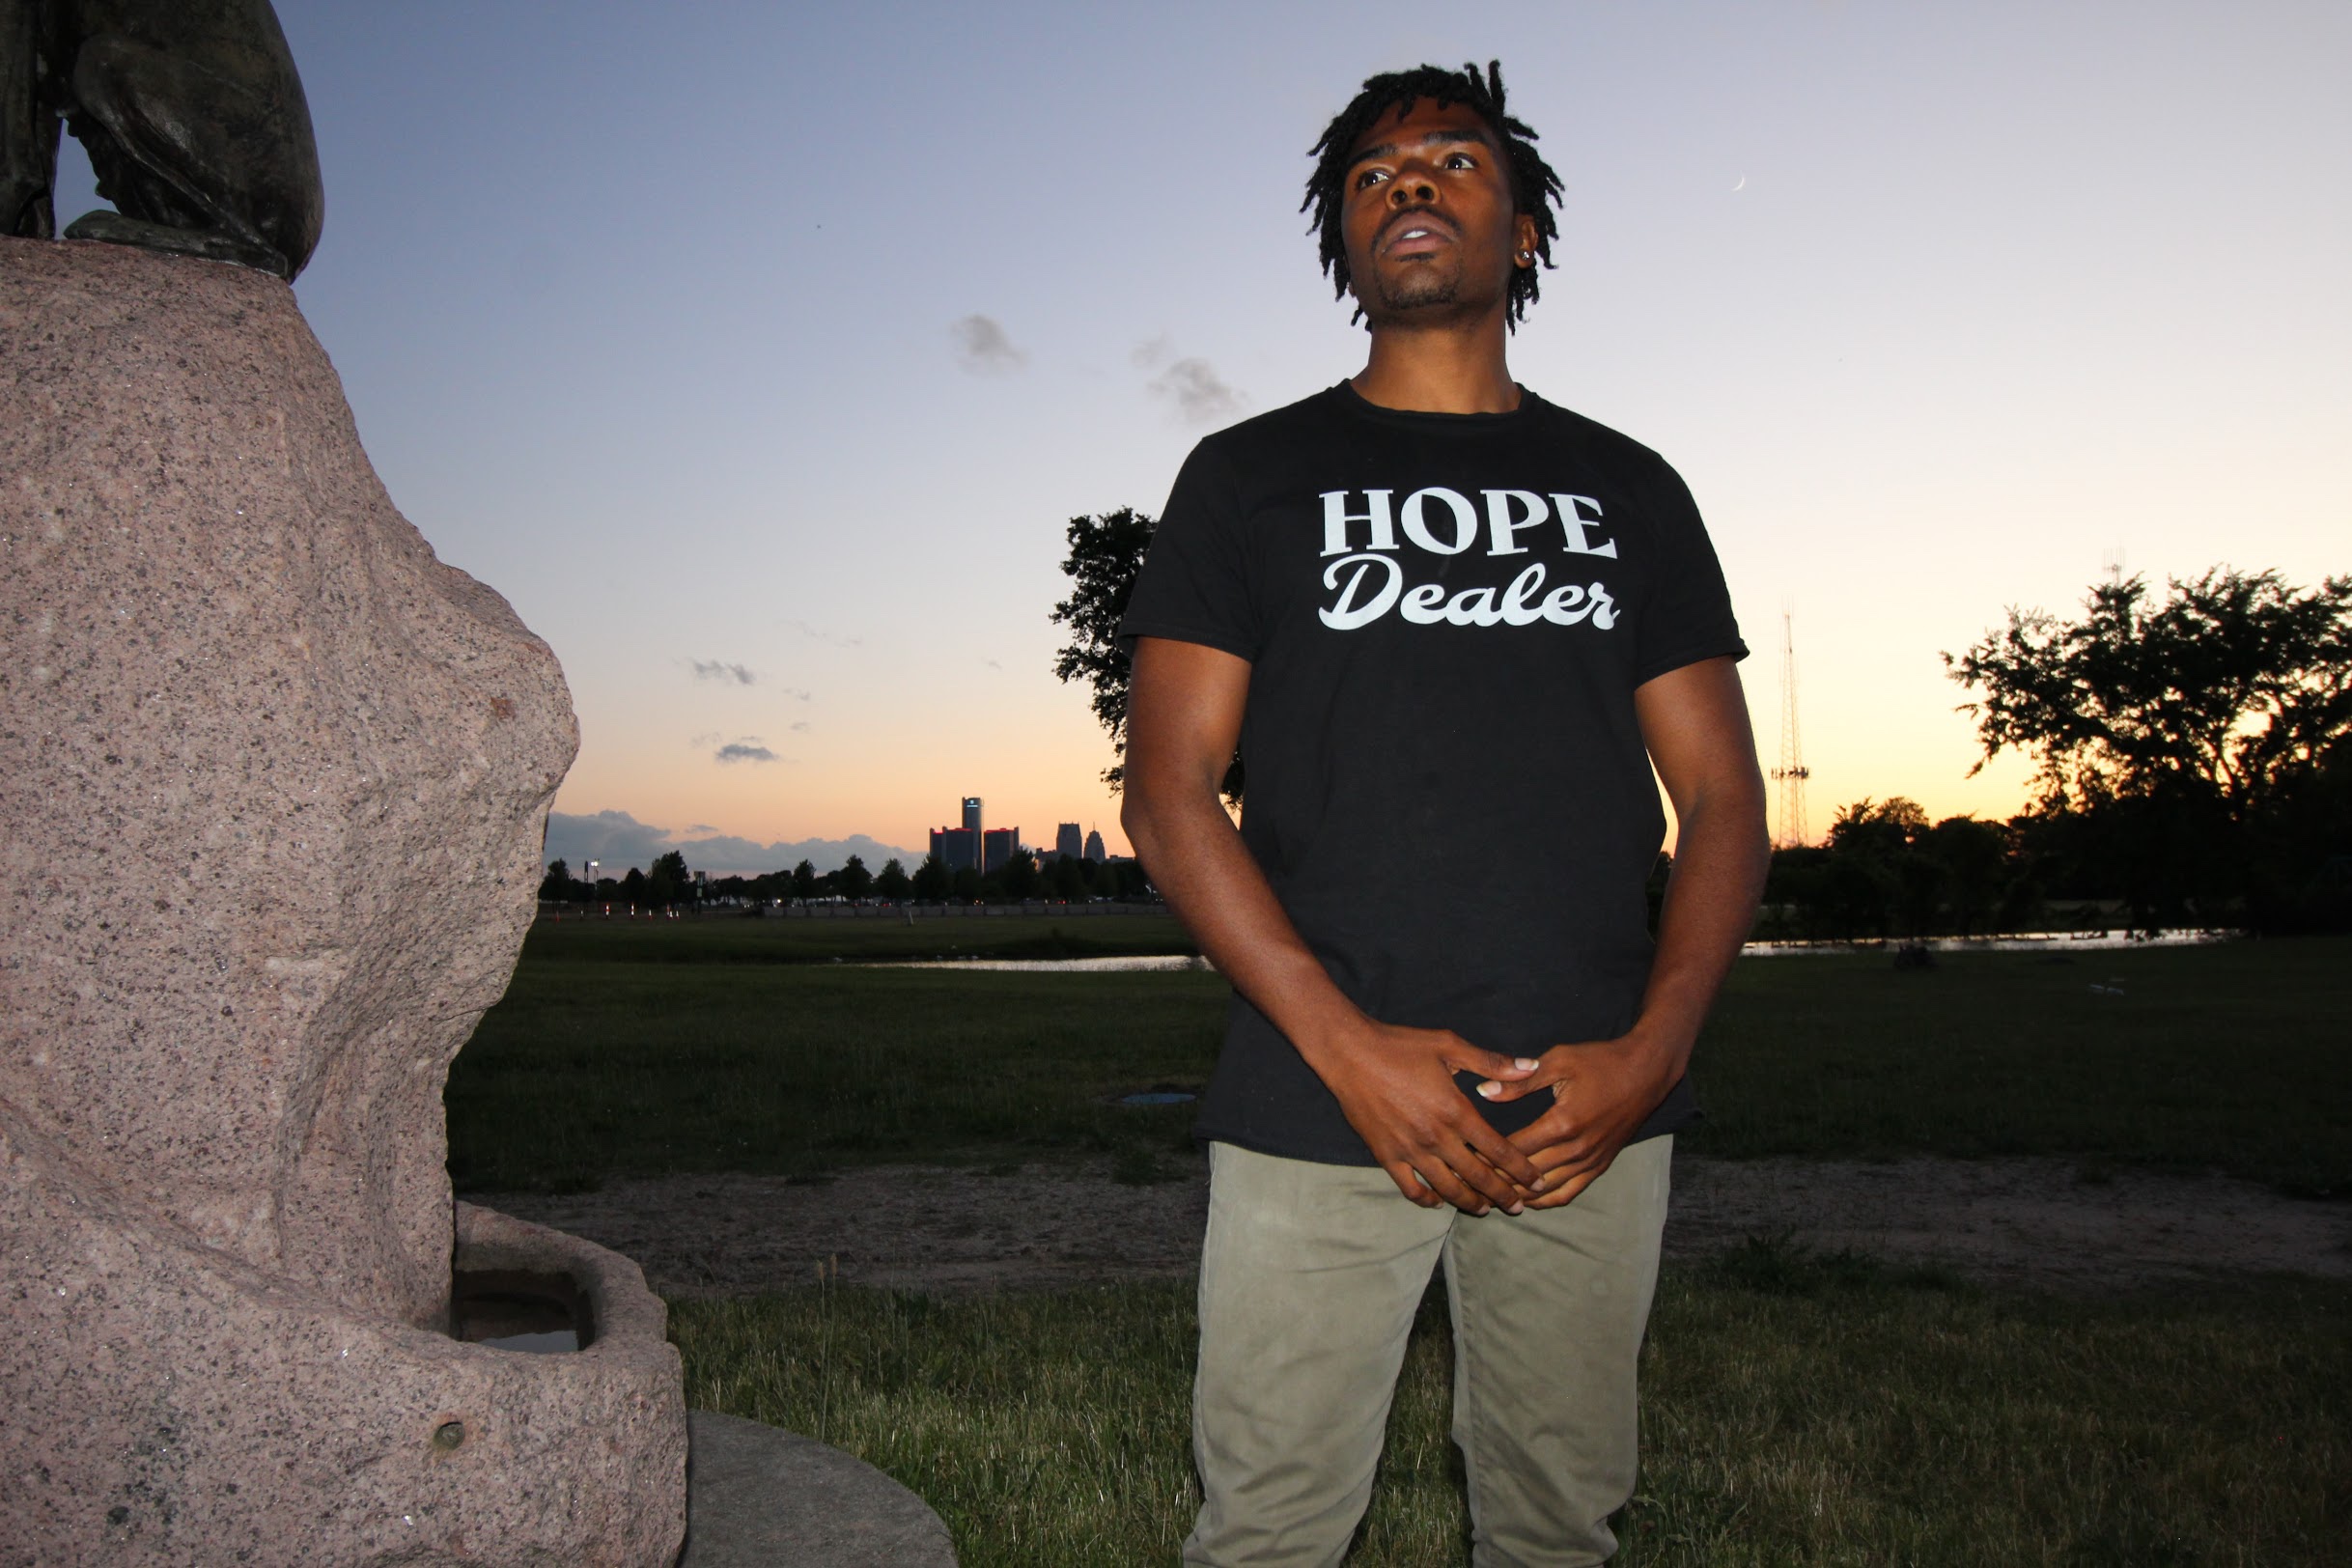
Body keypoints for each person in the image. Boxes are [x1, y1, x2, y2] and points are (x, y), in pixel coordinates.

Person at [1117, 61, 1770, 1568]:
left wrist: (1656, 1052)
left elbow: (1726, 799)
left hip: (1587, 1104)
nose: (1408, 183)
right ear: (1345, 245)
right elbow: (1166, 796)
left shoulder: (1631, 489)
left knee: (1559, 1525)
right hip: (1314, 1092)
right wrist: (1348, 1051)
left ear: (1524, 230)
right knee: (1269, 1529)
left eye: (1455, 161)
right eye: (1371, 176)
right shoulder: (1247, 477)